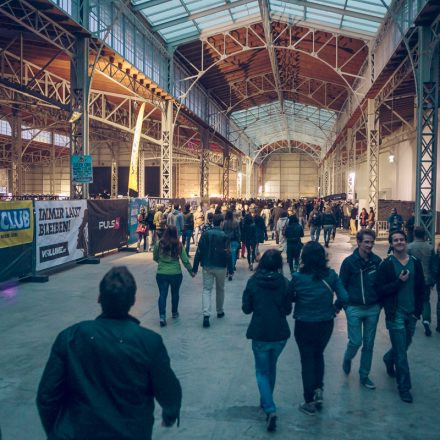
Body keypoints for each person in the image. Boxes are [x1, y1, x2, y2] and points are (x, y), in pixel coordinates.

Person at [36, 266, 182, 440]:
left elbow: (46, 396)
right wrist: (170, 414)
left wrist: (58, 431)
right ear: (133, 301)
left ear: (99, 298)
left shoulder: (70, 338)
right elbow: (168, 389)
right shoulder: (149, 343)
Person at [289, 241, 348, 415]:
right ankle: (319, 390)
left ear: (304, 258)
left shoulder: (298, 277)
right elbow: (345, 296)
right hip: (325, 323)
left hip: (304, 323)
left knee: (306, 360)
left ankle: (309, 401)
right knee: (318, 354)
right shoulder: (331, 275)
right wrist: (335, 307)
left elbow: (290, 297)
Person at [242, 250, 291, 433]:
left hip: (260, 332)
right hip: (279, 333)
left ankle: (269, 408)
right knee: (271, 368)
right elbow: (287, 310)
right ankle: (266, 401)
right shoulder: (285, 283)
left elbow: (246, 308)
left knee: (262, 371)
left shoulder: (253, 282)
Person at [376, 230, 424, 403]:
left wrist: (418, 311)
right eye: (395, 240)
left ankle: (388, 358)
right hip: (395, 313)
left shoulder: (415, 263)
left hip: (411, 313)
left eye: (401, 239)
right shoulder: (386, 265)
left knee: (404, 345)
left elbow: (421, 288)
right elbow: (380, 290)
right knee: (402, 354)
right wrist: (399, 282)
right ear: (391, 243)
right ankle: (404, 388)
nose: (399, 242)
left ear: (406, 241)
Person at [339, 229, 382, 389]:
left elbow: (381, 285)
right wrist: (346, 305)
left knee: (369, 344)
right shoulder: (349, 262)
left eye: (371, 242)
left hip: (372, 308)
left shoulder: (377, 261)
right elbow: (341, 284)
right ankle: (347, 358)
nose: (369, 245)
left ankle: (364, 375)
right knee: (356, 341)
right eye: (366, 242)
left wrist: (379, 304)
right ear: (358, 242)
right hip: (354, 307)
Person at [193, 214, 233, 328]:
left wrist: (195, 268)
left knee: (206, 289)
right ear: (221, 223)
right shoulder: (224, 236)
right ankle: (219, 311)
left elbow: (199, 251)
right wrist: (230, 270)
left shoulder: (205, 234)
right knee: (220, 289)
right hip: (221, 266)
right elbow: (228, 253)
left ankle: (206, 315)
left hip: (207, 265)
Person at [153, 226, 195, 327]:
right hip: (176, 273)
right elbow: (185, 260)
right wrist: (191, 271)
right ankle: (174, 312)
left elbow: (155, 257)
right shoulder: (178, 244)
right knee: (175, 293)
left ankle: (162, 316)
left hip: (161, 273)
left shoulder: (159, 243)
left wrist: (162, 263)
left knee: (162, 294)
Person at [407, 226, 436, 336]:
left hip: (412, 278)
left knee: (411, 298)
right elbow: (433, 265)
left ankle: (411, 320)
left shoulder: (409, 247)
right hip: (426, 279)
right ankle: (426, 320)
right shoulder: (430, 247)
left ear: (414, 234)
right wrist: (432, 279)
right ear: (424, 235)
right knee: (425, 300)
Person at [222, 210, 241, 280]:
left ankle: (227, 270)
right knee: (233, 257)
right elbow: (238, 233)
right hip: (234, 241)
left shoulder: (224, 223)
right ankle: (231, 271)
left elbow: (222, 232)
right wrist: (239, 241)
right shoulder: (236, 222)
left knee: (226, 256)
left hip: (226, 241)